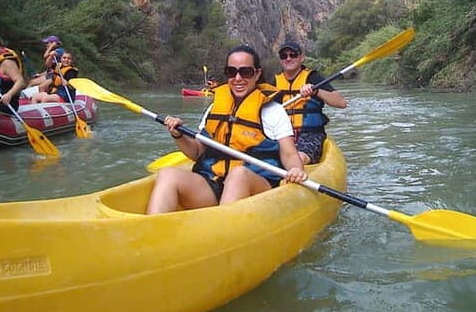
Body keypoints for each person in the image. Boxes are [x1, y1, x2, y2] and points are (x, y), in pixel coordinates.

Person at [146, 45, 307, 214]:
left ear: (257, 74)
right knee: (168, 175)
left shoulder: (273, 111)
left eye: (245, 72)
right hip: (215, 182)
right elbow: (197, 152)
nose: (238, 78)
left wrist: (296, 169)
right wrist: (178, 135)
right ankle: (151, 233)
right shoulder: (215, 108)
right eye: (231, 72)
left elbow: (289, 154)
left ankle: (219, 233)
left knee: (238, 175)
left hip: (258, 186)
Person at [273, 39, 347, 164]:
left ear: (301, 58)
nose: (288, 59)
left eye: (293, 55)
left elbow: (341, 103)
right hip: (282, 135)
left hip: (310, 134)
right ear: (280, 59)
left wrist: (316, 91)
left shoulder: (313, 77)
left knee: (297, 159)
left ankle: (296, 169)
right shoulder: (274, 82)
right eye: (284, 56)